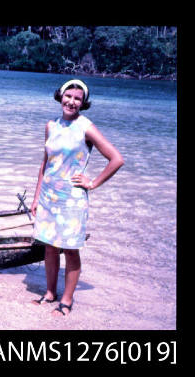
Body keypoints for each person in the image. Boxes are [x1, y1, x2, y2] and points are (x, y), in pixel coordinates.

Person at [30, 79, 124, 316]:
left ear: (83, 103)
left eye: (77, 99)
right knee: (49, 247)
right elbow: (45, 163)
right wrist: (35, 196)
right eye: (68, 96)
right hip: (48, 196)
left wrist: (92, 183)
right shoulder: (51, 125)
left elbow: (116, 159)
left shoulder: (86, 127)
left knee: (70, 250)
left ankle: (67, 301)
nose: (71, 102)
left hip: (72, 199)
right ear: (60, 96)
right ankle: (50, 293)